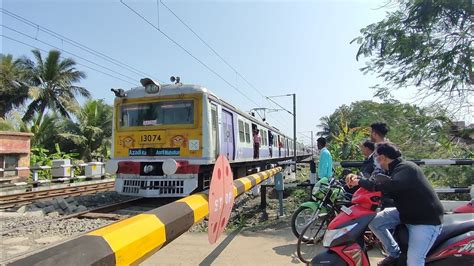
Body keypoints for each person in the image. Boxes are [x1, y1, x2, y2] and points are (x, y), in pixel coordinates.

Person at [346, 142, 443, 266]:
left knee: (414, 261)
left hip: (425, 219)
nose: (378, 162)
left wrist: (360, 182)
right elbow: (375, 181)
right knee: (375, 222)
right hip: (406, 212)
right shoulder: (393, 170)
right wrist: (356, 178)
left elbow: (389, 186)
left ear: (383, 157)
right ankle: (394, 254)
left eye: (378, 158)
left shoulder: (407, 168)